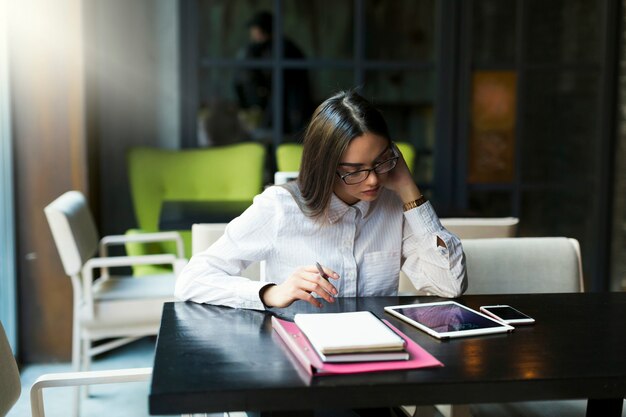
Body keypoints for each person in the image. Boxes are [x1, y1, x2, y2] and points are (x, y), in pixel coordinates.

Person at [175, 90, 467, 310]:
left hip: (378, 356)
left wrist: (406, 185)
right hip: (297, 363)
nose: (374, 180)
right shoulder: (279, 207)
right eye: (354, 171)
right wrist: (270, 292)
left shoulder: (392, 205)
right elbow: (191, 280)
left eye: (381, 162)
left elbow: (451, 285)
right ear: (325, 165)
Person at [234, 10, 313, 135]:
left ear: (262, 30)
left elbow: (283, 86)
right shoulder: (261, 49)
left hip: (290, 107)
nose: (252, 34)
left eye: (255, 30)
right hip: (279, 106)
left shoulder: (283, 49)